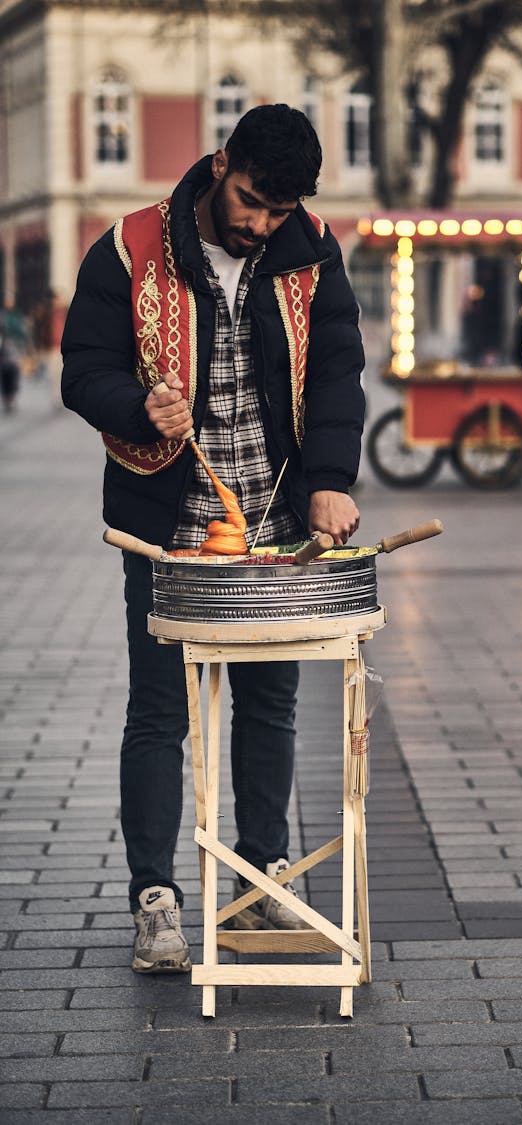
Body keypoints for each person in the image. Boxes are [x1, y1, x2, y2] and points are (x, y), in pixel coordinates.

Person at [61, 104, 365, 973]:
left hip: (272, 529)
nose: (260, 223)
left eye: (278, 210)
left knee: (271, 708)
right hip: (168, 529)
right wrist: (133, 404)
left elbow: (339, 367)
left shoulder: (308, 248)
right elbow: (84, 368)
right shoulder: (129, 247)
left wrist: (332, 482)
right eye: (250, 201)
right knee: (160, 715)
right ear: (221, 163)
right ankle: (155, 901)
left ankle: (266, 885)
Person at [0, 301, 28, 413]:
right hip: (3, 351)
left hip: (15, 349)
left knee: (13, 374)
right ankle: (6, 398)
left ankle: (11, 397)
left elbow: (22, 332)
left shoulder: (17, 316)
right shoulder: (2, 316)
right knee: (4, 375)